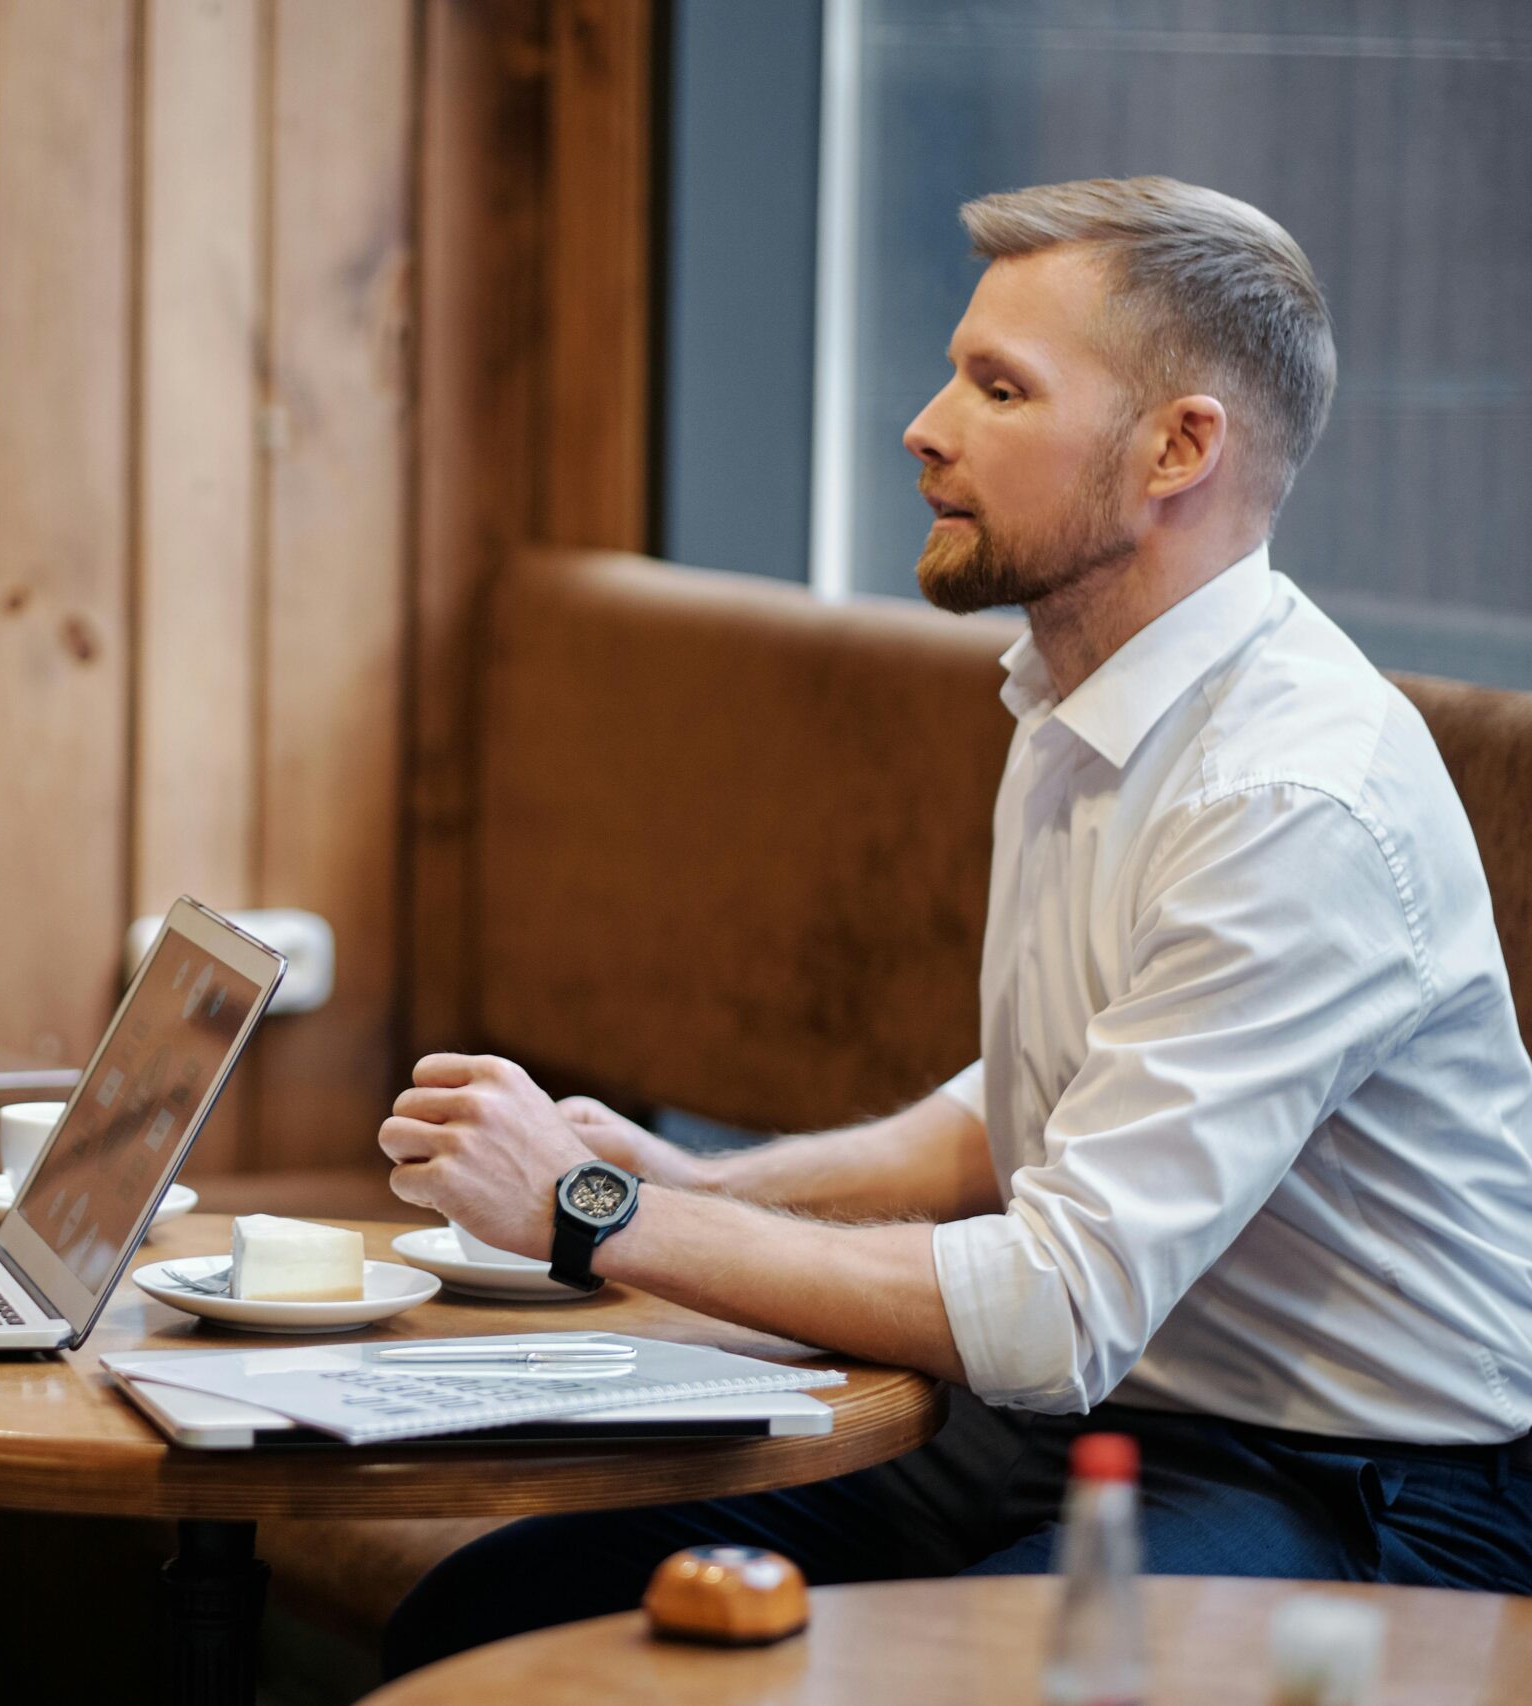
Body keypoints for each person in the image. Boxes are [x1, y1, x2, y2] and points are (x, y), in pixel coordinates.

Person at [378, 176, 1532, 1676]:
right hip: (1065, 1422)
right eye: (953, 373)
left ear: (1181, 446)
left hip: (1357, 1490)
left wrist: (601, 1218)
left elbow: (1054, 1298)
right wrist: (691, 1177)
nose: (925, 426)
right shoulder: (1070, 690)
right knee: (497, 1609)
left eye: (999, 388)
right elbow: (1035, 1103)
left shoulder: (1291, 797)